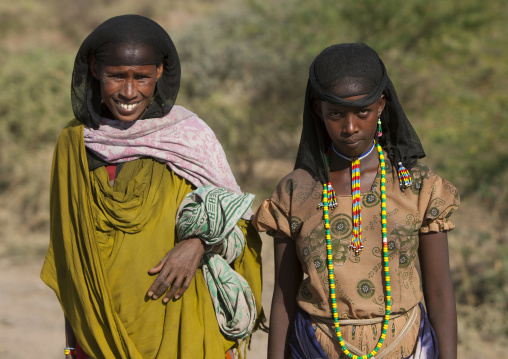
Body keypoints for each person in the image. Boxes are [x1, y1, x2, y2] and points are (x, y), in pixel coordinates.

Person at [40, 15, 263, 359]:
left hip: (183, 328)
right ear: (95, 68)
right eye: (116, 76)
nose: (129, 92)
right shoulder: (74, 145)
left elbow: (240, 224)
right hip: (98, 337)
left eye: (141, 77)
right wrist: (73, 346)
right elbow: (71, 256)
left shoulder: (189, 138)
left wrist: (199, 244)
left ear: (159, 72)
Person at [252, 43, 459, 359]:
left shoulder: (417, 186)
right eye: (336, 114)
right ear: (318, 109)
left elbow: (440, 292)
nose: (349, 128)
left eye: (362, 112)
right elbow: (283, 297)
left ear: (380, 105)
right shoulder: (296, 192)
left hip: (407, 344)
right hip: (315, 346)